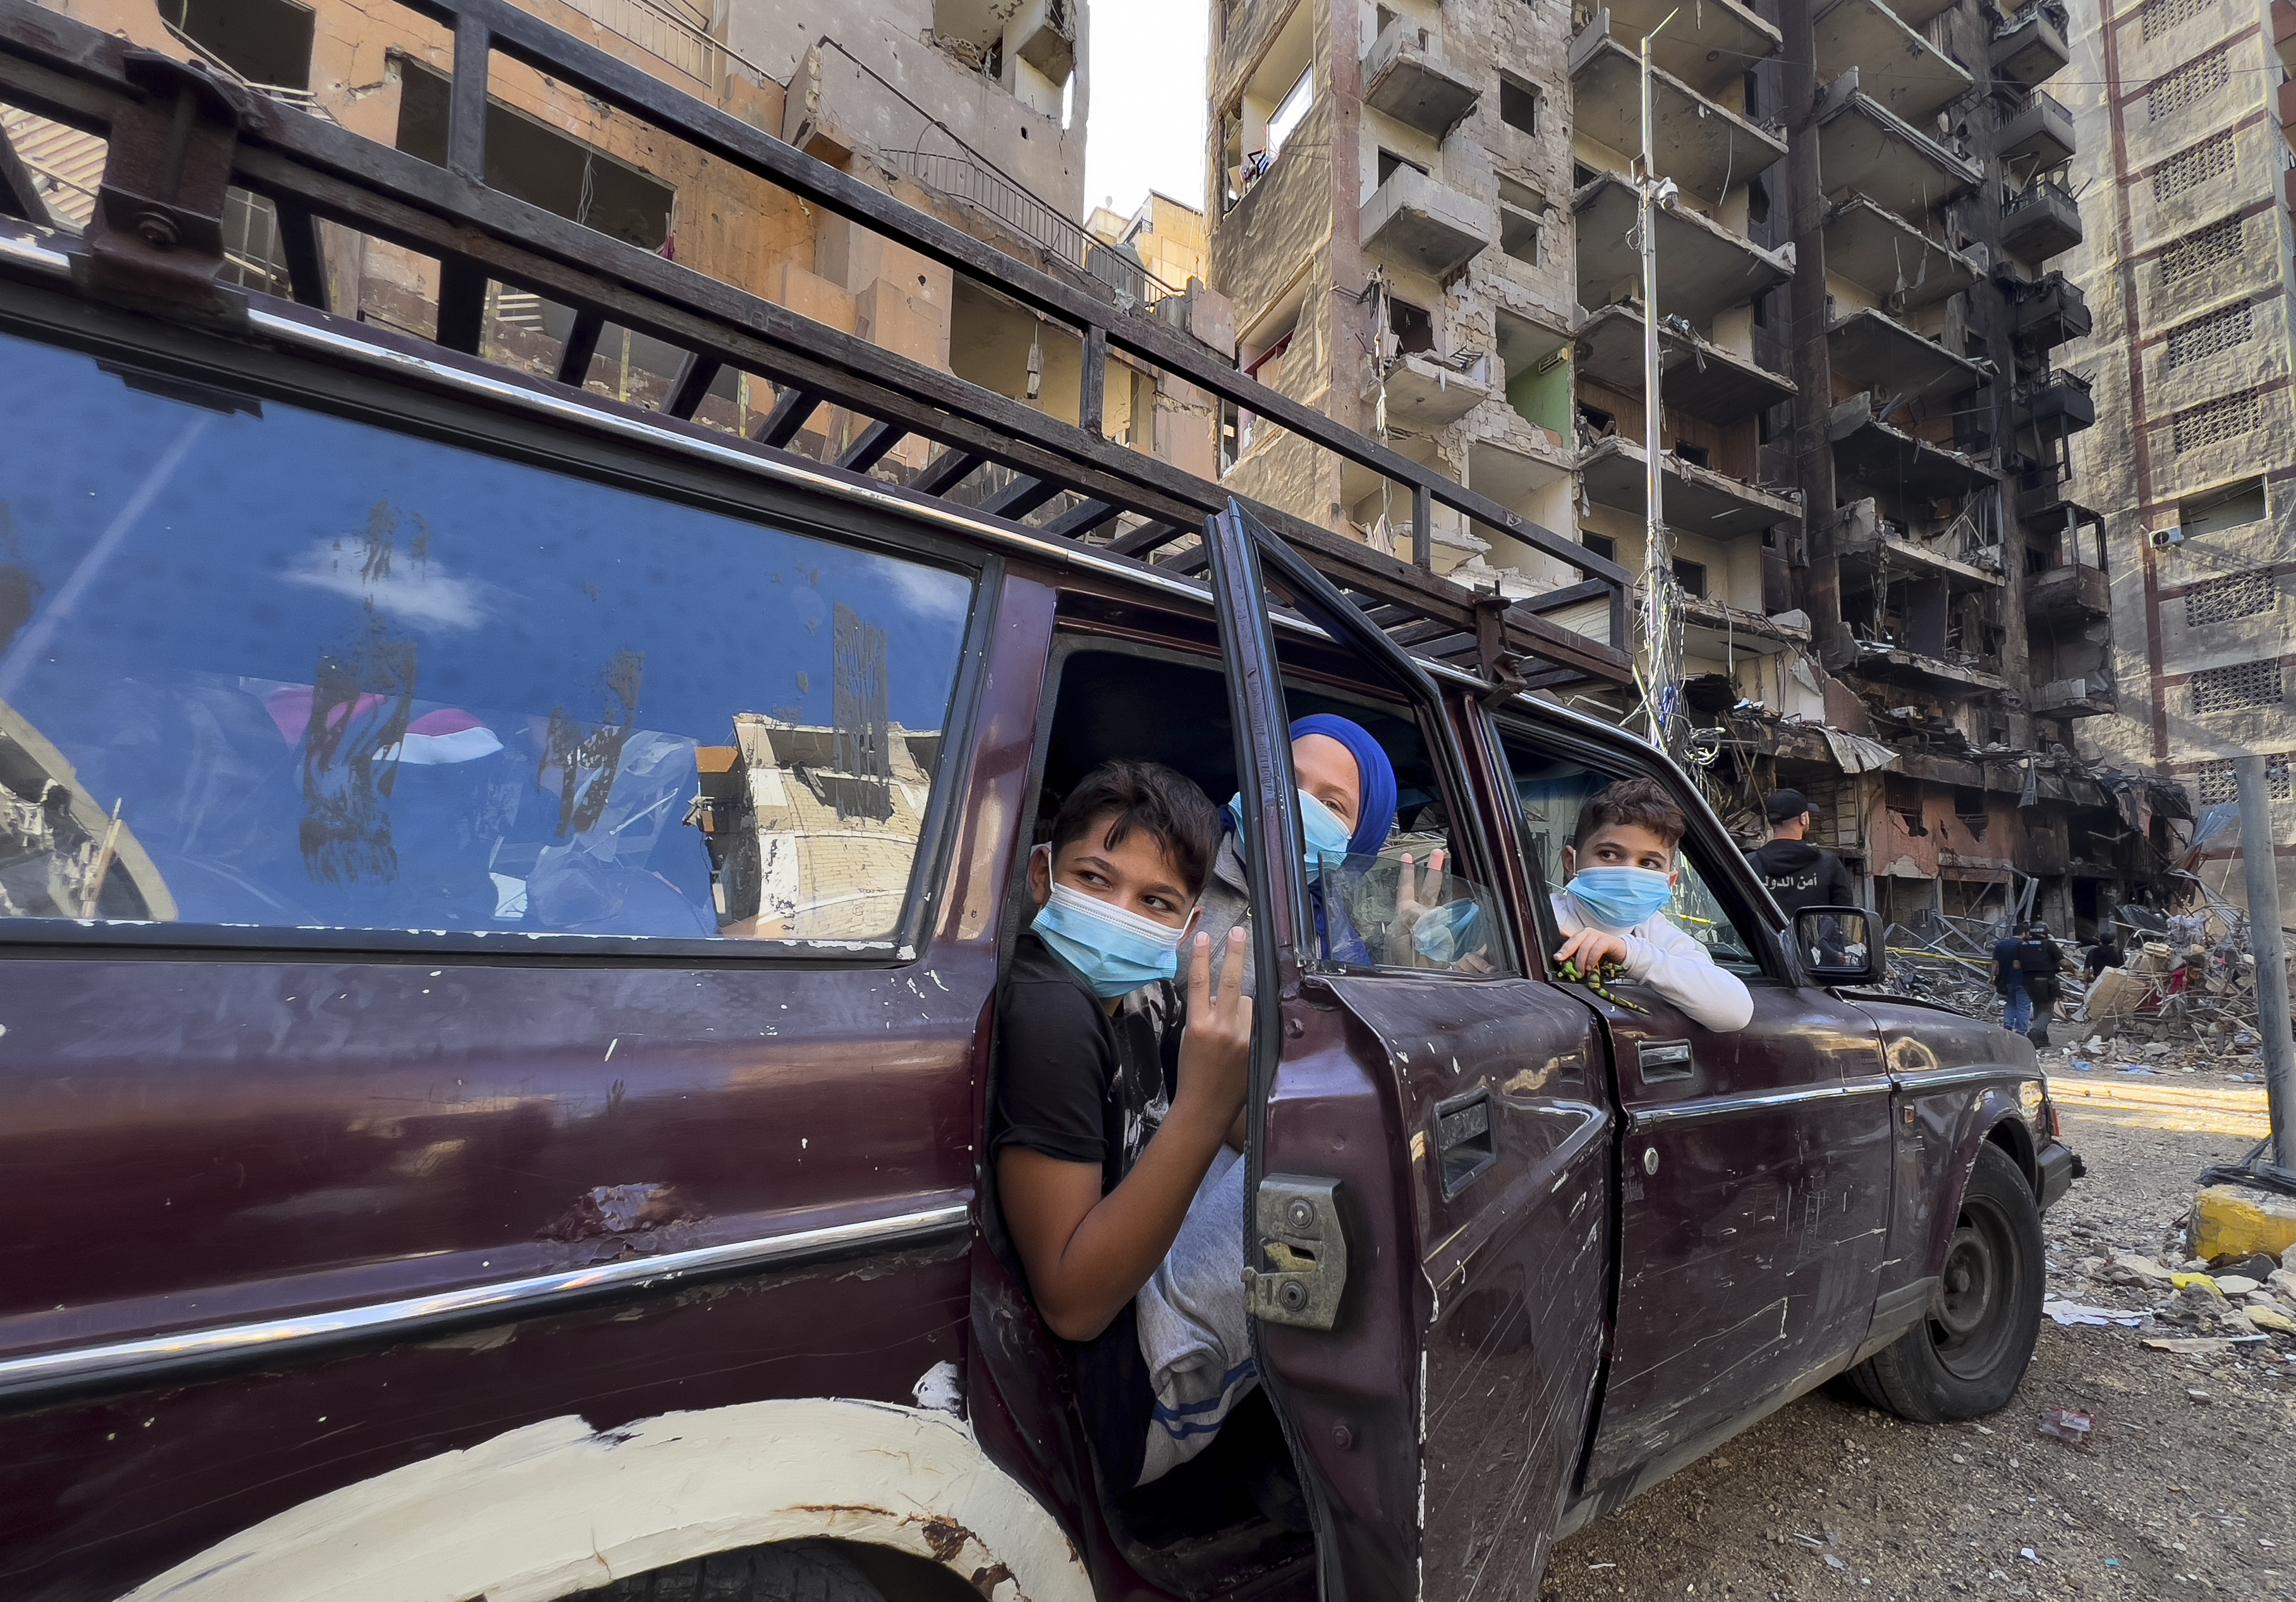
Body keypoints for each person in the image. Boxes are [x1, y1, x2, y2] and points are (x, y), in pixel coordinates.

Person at [992, 760, 1254, 1491]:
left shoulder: (1145, 996)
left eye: (1157, 901)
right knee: (1314, 1217)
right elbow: (1072, 1305)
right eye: (1096, 880)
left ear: (1189, 924)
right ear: (1043, 876)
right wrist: (1206, 1109)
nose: (1121, 914)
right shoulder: (1050, 1013)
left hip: (1141, 1284)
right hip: (1117, 1393)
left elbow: (1237, 1126)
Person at [1196, 713, 1400, 993]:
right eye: (1285, 780)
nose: (1295, 806)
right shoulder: (1182, 854)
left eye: (1331, 804)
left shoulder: (1337, 939)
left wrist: (1404, 964)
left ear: (1362, 839)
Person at [1552, 777, 1754, 1031]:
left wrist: (1631, 954)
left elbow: (1735, 1012)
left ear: (1669, 881)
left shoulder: (1658, 936)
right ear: (1571, 864)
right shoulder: (1541, 919)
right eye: (1609, 854)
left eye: (1648, 863)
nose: (1627, 873)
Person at [1744, 788, 1857, 916]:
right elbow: (1846, 915)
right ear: (1803, 819)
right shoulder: (1829, 864)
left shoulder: (1750, 864)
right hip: (1817, 937)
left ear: (1770, 821)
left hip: (1764, 938)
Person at [2019, 920, 2064, 1045]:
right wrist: (2073, 971)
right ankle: (2036, 1032)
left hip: (2028, 982)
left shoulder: (2022, 945)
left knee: (2038, 1006)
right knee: (2047, 1009)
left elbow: (2017, 965)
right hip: (2047, 981)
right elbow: (2064, 963)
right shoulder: (2049, 944)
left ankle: (2042, 1040)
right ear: (2046, 932)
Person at [1993, 922, 2034, 1038]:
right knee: (2023, 1007)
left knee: (2010, 1004)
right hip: (2023, 981)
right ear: (2024, 934)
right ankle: (2021, 1033)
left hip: (2006, 981)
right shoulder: (2025, 946)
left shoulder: (2002, 945)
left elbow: (1995, 963)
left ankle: (2008, 1028)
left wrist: (1992, 977)